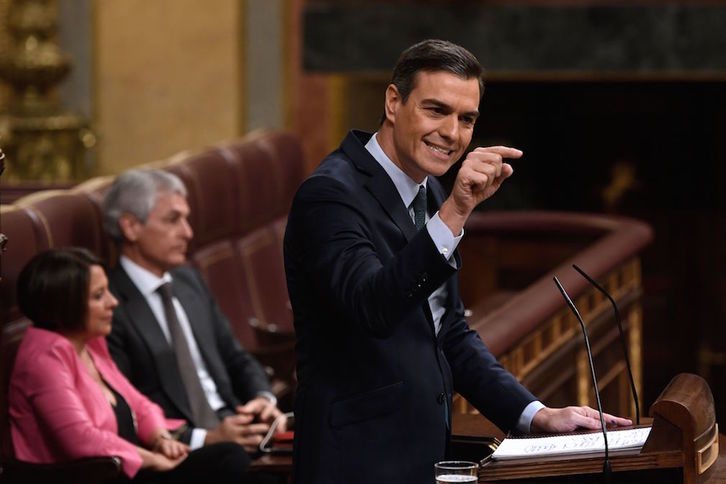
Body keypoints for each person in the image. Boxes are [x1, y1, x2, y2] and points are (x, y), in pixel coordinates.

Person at [283, 39, 632, 483]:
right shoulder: (330, 194)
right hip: (356, 463)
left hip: (422, 458)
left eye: (467, 119)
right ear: (393, 102)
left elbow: (445, 331)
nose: (453, 133)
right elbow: (373, 307)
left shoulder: (426, 189)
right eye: (436, 111)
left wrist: (534, 414)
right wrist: (456, 211)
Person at [9, 248, 249, 483]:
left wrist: (161, 439)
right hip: (99, 475)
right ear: (65, 304)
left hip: (129, 468)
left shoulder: (90, 344)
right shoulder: (43, 358)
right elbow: (81, 440)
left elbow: (140, 405)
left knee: (253, 470)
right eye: (98, 295)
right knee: (229, 458)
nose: (113, 302)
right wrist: (152, 459)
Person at [101, 168, 285, 454]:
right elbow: (127, 408)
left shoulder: (189, 281)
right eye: (173, 220)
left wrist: (262, 399)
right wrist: (205, 439)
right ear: (130, 227)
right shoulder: (108, 303)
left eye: (186, 219)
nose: (188, 233)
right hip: (183, 451)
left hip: (237, 427)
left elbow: (235, 357)